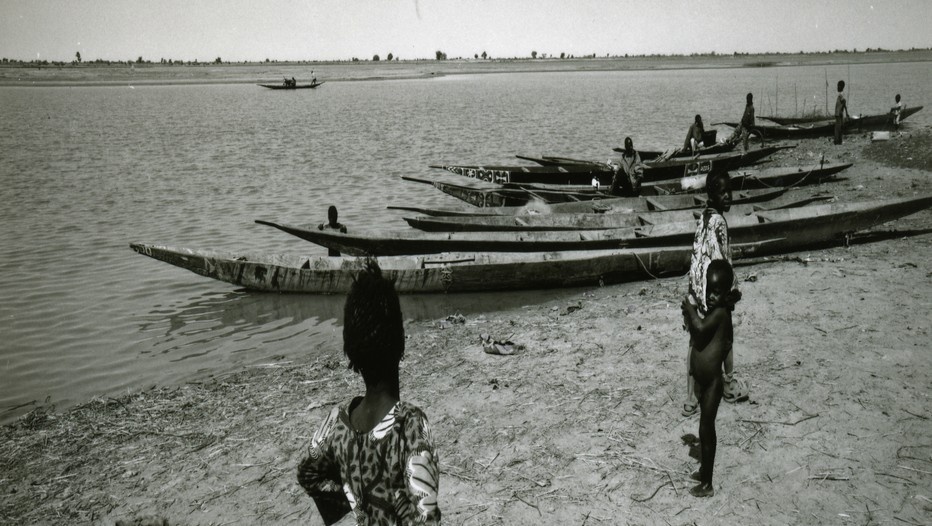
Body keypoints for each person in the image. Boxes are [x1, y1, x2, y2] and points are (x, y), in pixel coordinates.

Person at [297, 259, 442, 525]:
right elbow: (427, 517)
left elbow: (308, 473)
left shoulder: (335, 426)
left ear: (351, 350)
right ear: (401, 342)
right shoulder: (410, 427)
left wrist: (352, 499)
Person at [682, 172, 747, 418]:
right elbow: (721, 258)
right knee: (725, 338)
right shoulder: (719, 221)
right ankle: (728, 384)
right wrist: (731, 290)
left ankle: (690, 397)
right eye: (723, 192)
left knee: (695, 342)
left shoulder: (704, 217)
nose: (728, 196)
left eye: (730, 191)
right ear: (712, 195)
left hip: (698, 289)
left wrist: (693, 292)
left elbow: (698, 254)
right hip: (714, 288)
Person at [681, 259, 742, 498]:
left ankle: (708, 484)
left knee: (707, 431)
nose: (712, 296)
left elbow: (699, 328)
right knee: (703, 429)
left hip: (712, 384)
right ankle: (705, 470)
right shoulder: (715, 312)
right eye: (709, 291)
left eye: (718, 292)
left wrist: (689, 308)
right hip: (704, 383)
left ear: (726, 293)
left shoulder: (719, 314)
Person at [834, 80, 850, 145]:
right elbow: (844, 103)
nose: (837, 87)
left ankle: (837, 141)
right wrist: (846, 112)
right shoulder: (840, 94)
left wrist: (845, 112)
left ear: (841, 87)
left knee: (837, 128)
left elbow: (844, 102)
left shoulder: (841, 94)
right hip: (839, 113)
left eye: (838, 86)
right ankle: (839, 141)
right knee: (839, 127)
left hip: (838, 113)